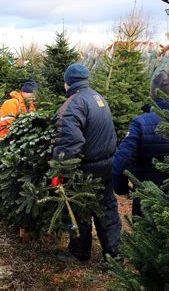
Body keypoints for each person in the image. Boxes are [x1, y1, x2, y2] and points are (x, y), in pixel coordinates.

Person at [52, 63, 121, 262]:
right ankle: (114, 255)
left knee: (80, 207)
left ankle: (79, 252)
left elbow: (69, 143)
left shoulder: (72, 105)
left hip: (87, 168)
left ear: (67, 83)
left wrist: (60, 171)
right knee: (107, 208)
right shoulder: (98, 97)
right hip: (108, 163)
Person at [112, 69, 169, 216]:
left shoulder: (141, 123)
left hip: (147, 201)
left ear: (153, 94)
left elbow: (120, 162)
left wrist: (121, 189)